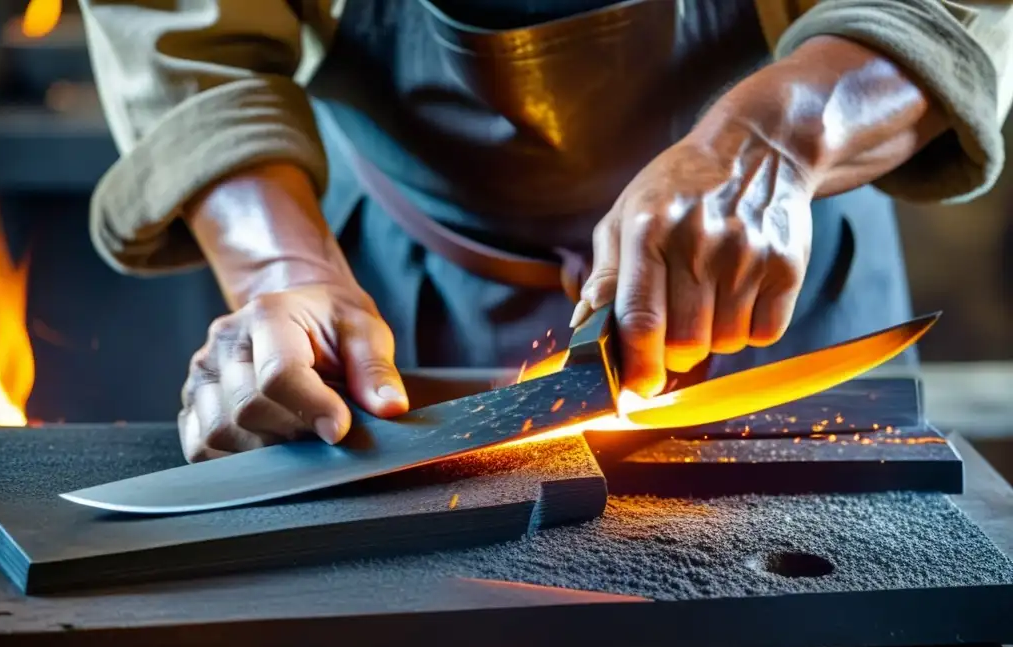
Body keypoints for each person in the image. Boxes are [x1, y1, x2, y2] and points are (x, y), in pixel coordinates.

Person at [77, 0, 1013, 463]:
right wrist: (282, 268)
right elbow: (186, 37)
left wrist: (769, 141)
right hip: (401, 298)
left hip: (786, 268)